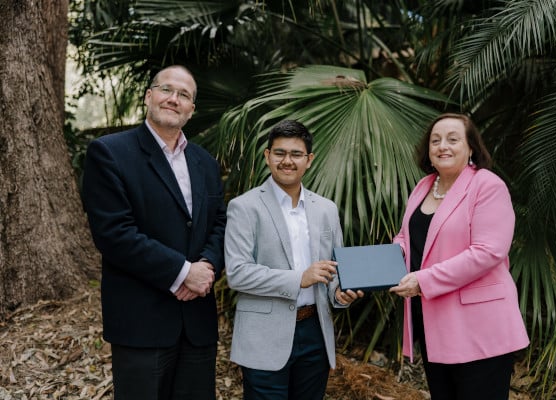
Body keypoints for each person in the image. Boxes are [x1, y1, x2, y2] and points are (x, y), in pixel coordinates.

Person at [82, 65, 226, 400]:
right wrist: (182, 272)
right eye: (166, 90)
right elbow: (114, 233)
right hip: (141, 321)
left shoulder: (204, 161)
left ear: (191, 110)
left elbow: (220, 221)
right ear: (149, 96)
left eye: (184, 95)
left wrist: (207, 267)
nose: (174, 99)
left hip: (197, 323)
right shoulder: (110, 153)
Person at [389, 113, 529, 400]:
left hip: (480, 327)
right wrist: (381, 265)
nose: (443, 146)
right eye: (435, 140)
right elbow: (407, 239)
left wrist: (423, 280)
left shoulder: (487, 185)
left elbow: (488, 251)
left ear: (471, 148)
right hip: (434, 322)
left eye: (453, 139)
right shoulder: (424, 186)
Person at [224, 119, 364, 400]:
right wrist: (299, 278)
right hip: (264, 336)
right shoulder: (244, 207)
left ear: (309, 160)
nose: (287, 161)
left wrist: (340, 294)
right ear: (267, 156)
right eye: (280, 153)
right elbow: (237, 273)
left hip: (315, 331)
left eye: (296, 154)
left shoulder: (326, 209)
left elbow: (334, 270)